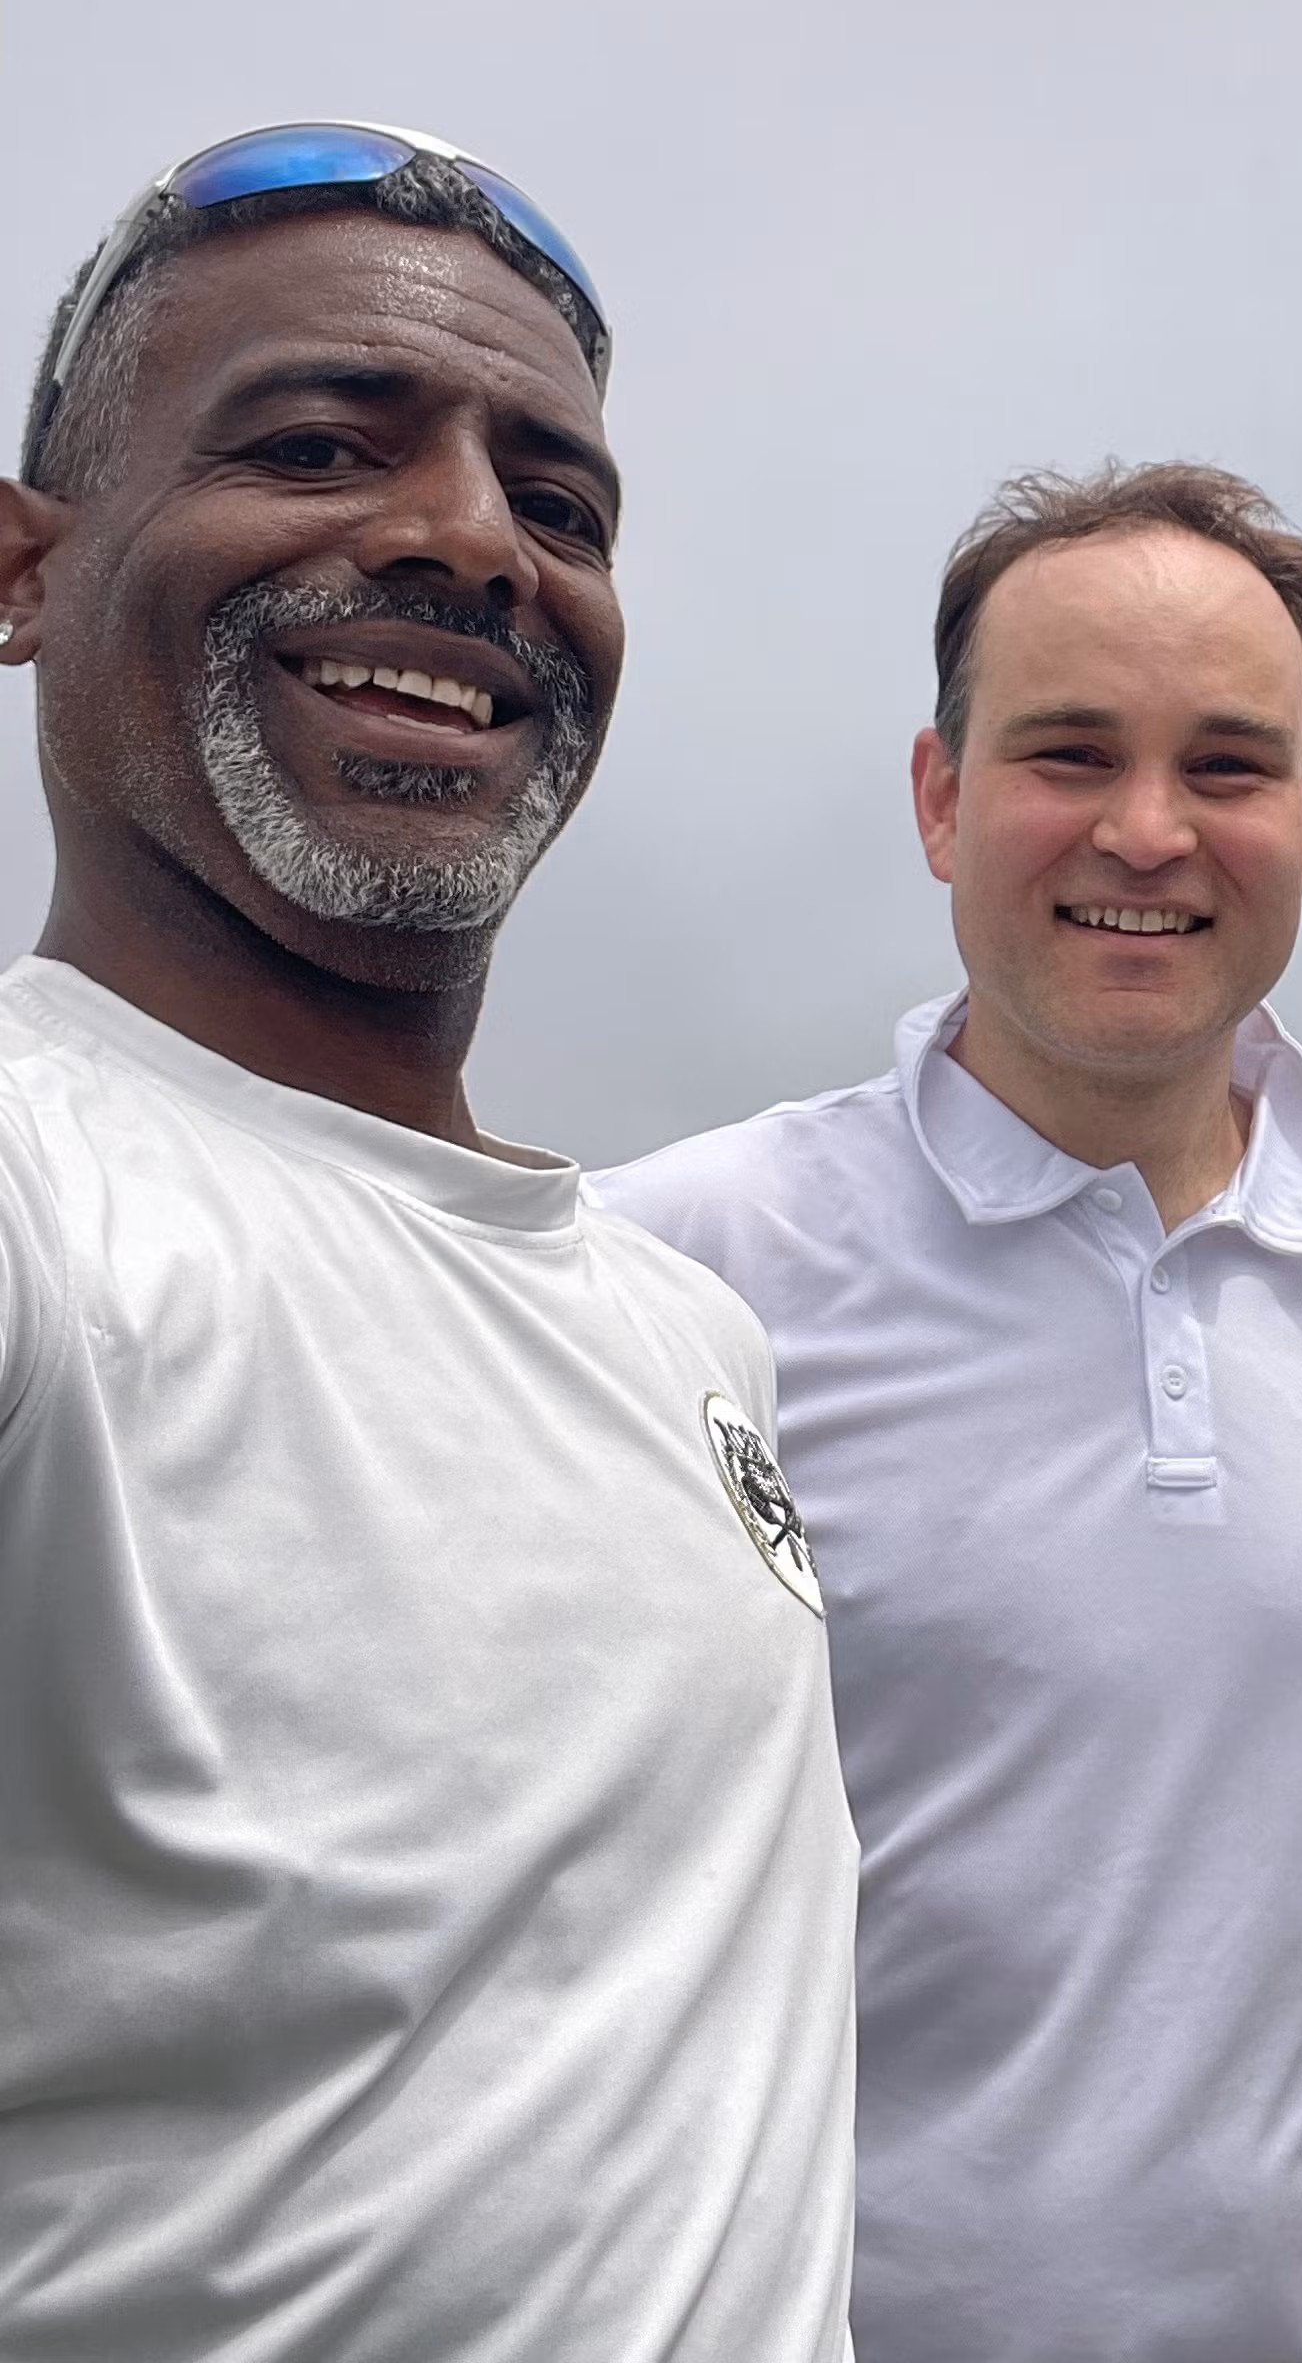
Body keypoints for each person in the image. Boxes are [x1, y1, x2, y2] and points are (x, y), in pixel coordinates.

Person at [599, 461, 1302, 2363]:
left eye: (1231, 767)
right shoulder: (671, 1261)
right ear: (940, 801)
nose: (1149, 830)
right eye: (1068, 753)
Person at [0, 124, 856, 2363]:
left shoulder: (688, 1336)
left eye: (558, 503)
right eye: (313, 445)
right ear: (21, 574)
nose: (473, 540)